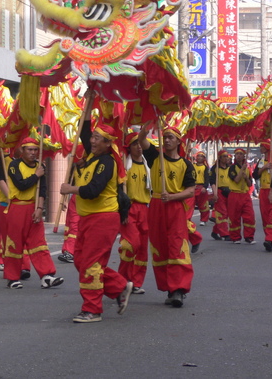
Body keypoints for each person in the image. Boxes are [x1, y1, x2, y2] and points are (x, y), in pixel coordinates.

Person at [60, 118, 132, 323]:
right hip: (87, 218)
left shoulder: (107, 162)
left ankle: (92, 309)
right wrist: (89, 99)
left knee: (91, 263)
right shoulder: (91, 157)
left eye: (97, 138)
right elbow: (83, 128)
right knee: (80, 261)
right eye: (92, 137)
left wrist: (70, 189)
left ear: (108, 143)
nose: (92, 141)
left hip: (103, 218)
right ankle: (118, 286)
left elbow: (93, 190)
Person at [138, 123, 195, 308]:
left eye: (171, 137)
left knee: (177, 246)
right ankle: (169, 288)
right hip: (156, 206)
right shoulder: (155, 157)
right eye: (166, 137)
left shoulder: (186, 164)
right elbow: (141, 141)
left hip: (175, 208)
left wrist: (171, 197)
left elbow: (190, 191)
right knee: (160, 245)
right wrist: (145, 129)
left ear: (179, 141)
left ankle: (178, 289)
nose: (168, 140)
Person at [3, 137, 63, 290]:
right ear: (22, 151)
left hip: (33, 208)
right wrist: (36, 175)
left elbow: (43, 189)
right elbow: (21, 185)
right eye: (29, 149)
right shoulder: (14, 165)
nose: (33, 153)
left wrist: (39, 209)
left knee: (39, 243)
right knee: (15, 244)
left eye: (35, 150)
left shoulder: (40, 165)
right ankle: (12, 277)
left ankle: (46, 275)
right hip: (17, 208)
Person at [118, 132, 150, 294]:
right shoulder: (124, 166)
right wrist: (122, 211)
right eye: (135, 144)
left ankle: (136, 282)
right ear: (129, 148)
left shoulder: (147, 165)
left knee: (143, 248)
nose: (139, 146)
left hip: (145, 209)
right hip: (129, 209)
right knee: (130, 244)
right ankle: (122, 279)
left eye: (140, 143)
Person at [253, 142, 272, 252]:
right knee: (265, 217)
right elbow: (255, 175)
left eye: (261, 146)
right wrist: (264, 167)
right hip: (263, 191)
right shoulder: (261, 161)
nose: (260, 148)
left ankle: (269, 239)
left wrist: (271, 192)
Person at [227, 148, 256, 244]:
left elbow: (249, 184)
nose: (239, 156)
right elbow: (236, 180)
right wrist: (241, 171)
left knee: (249, 216)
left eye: (241, 154)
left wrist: (246, 177)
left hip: (245, 194)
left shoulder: (247, 169)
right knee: (234, 216)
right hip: (235, 194)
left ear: (244, 156)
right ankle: (235, 237)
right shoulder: (232, 168)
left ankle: (249, 237)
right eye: (237, 154)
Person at [209, 150, 231, 241]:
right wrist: (215, 193)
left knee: (228, 214)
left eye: (227, 156)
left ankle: (215, 231)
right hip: (220, 192)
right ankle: (225, 234)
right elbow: (212, 182)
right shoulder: (215, 168)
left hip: (229, 192)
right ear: (220, 158)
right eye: (224, 156)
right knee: (222, 213)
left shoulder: (230, 168)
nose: (226, 158)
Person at [58, 194, 79, 263]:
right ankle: (68, 250)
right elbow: (68, 185)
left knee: (75, 225)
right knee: (70, 225)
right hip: (75, 195)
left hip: (83, 195)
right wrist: (65, 199)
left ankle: (70, 251)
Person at [192, 151, 211, 226]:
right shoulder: (192, 166)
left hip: (201, 188)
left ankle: (203, 219)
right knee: (189, 205)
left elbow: (207, 178)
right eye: (198, 156)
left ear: (204, 158)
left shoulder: (205, 168)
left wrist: (205, 187)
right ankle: (188, 219)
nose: (199, 157)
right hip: (193, 188)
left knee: (203, 205)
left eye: (201, 156)